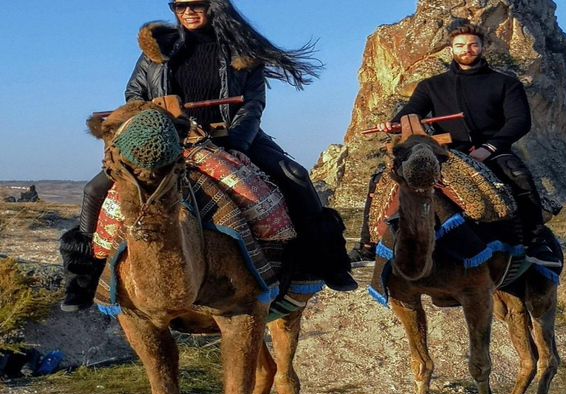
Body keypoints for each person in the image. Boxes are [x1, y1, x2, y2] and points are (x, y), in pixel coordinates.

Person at [60, 0, 356, 311]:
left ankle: (326, 262)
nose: (187, 11)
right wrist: (155, 119)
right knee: (93, 190)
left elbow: (252, 106)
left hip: (230, 135)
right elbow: (135, 96)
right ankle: (83, 279)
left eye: (196, 4)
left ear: (215, 6)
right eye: (178, 5)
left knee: (295, 175)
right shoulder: (155, 51)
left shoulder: (243, 52)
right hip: (167, 137)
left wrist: (236, 144)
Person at [348, 22, 561, 268]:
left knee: (519, 176)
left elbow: (519, 121)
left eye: (473, 45)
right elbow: (411, 112)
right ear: (451, 49)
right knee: (381, 179)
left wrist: (490, 147)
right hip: (446, 153)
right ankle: (368, 246)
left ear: (483, 47)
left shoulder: (506, 83)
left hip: (492, 150)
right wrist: (394, 124)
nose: (466, 50)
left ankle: (535, 244)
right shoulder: (431, 85)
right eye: (460, 45)